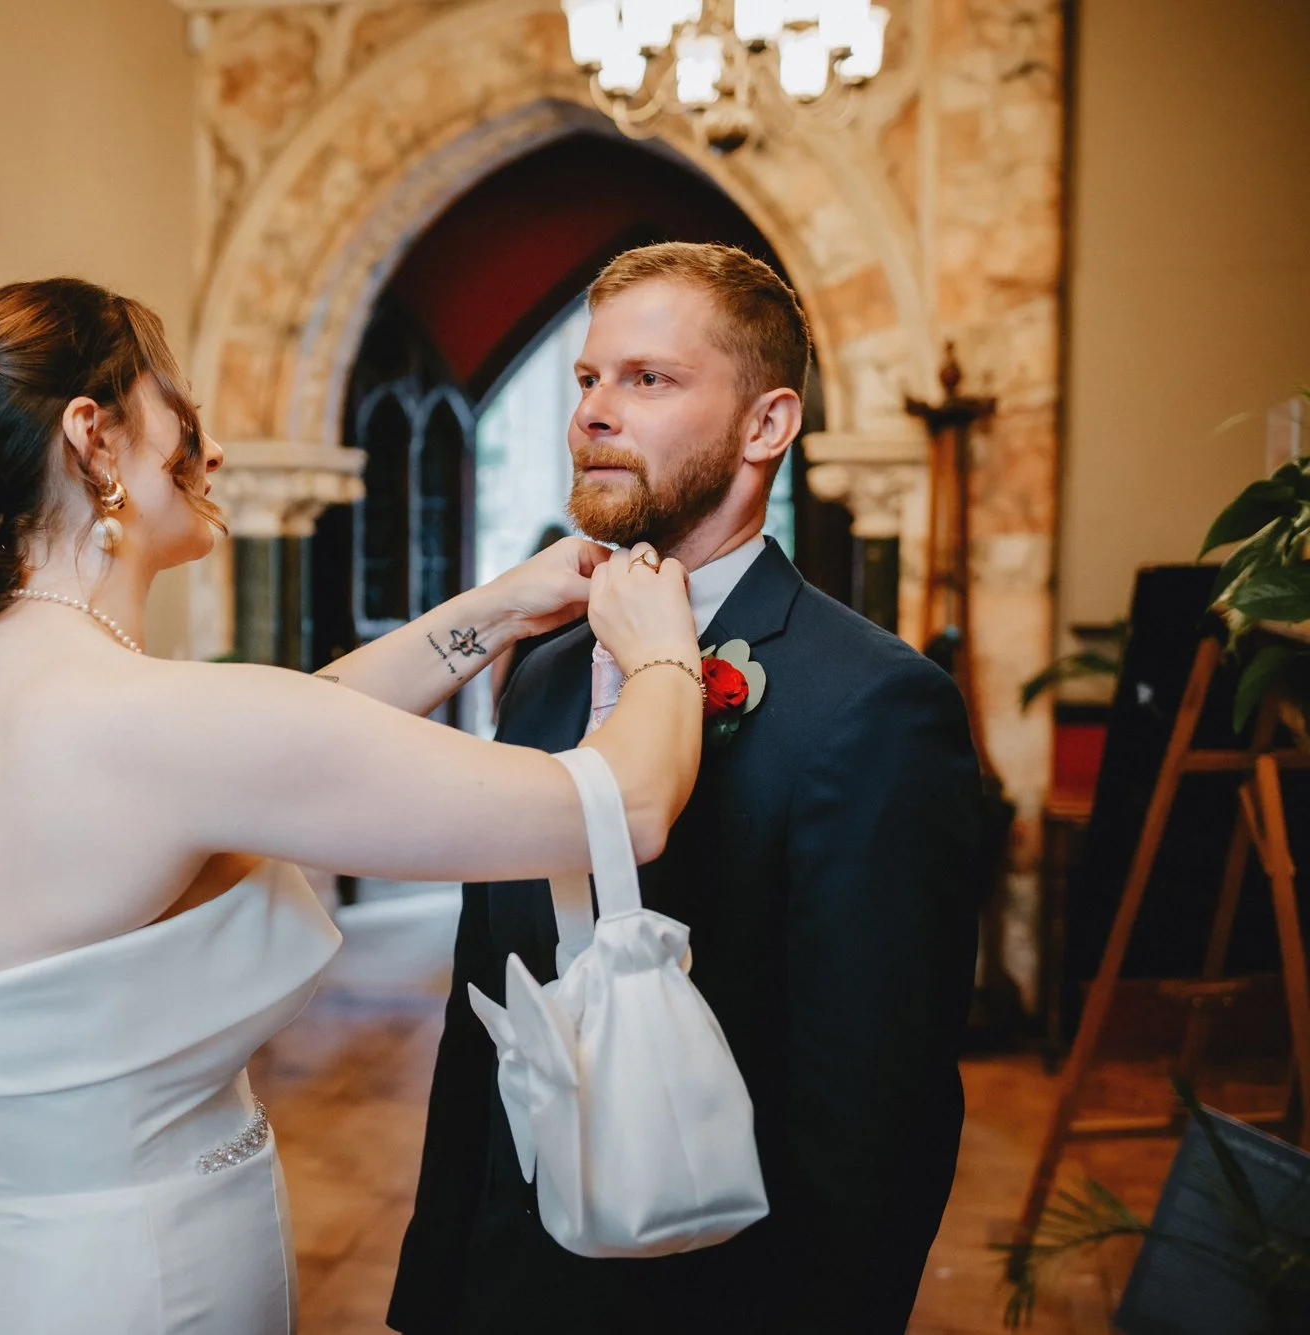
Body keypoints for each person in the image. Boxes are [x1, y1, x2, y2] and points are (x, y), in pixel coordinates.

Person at [0, 277, 707, 1335]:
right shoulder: (147, 722)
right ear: (93, 438)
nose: (211, 448)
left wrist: (496, 609)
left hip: (12, 1266)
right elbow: (625, 806)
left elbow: (286, 733)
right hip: (134, 1282)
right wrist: (661, 651)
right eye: (177, 406)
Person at [389, 242, 985, 1334]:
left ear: (766, 427)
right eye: (585, 380)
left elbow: (876, 1109)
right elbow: (487, 999)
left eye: (646, 380)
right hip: (513, 1284)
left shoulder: (871, 705)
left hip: (716, 1295)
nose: (592, 415)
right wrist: (440, 1290)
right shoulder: (546, 664)